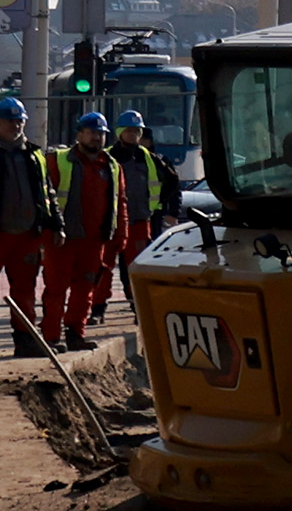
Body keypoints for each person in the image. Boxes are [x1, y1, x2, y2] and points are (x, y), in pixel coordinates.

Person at [46, 112, 123, 347]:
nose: (96, 138)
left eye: (100, 134)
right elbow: (46, 197)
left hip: (94, 241)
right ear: (79, 135)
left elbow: (121, 203)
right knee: (56, 289)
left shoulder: (111, 166)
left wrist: (120, 237)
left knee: (85, 288)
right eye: (91, 133)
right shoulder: (58, 161)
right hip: (63, 239)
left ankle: (75, 335)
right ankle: (50, 337)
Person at [0, 101, 46, 356]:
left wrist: (53, 224)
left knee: (25, 291)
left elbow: (46, 193)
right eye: (10, 120)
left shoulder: (33, 155)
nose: (15, 125)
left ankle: (26, 340)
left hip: (27, 235)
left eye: (20, 121)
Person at [105, 111, 170, 264]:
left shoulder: (147, 156)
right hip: (111, 221)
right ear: (120, 133)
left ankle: (130, 289)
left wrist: (154, 206)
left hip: (139, 221)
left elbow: (171, 180)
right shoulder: (108, 156)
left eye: (137, 131)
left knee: (136, 264)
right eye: (129, 131)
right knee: (105, 264)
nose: (133, 134)